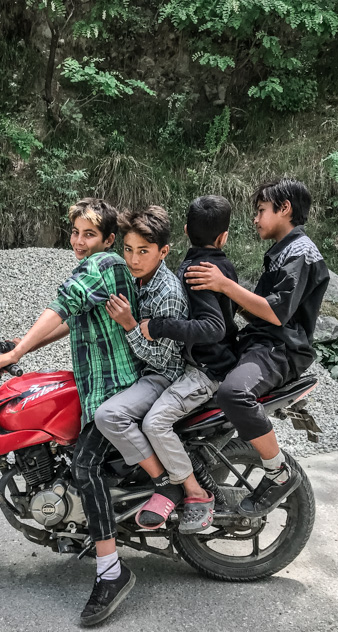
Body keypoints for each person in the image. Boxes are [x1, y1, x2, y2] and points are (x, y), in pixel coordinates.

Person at [0, 197, 141, 626]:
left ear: (108, 239)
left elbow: (62, 303)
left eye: (88, 233)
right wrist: (20, 349)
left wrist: (17, 350)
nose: (78, 241)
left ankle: (111, 572)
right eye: (74, 233)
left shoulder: (104, 265)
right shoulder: (99, 272)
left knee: (84, 468)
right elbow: (66, 323)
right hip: (100, 386)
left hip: (115, 387)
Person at [185, 179, 330, 517]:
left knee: (234, 393)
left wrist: (226, 285)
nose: (255, 219)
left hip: (279, 350)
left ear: (285, 209)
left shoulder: (301, 254)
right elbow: (258, 306)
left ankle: (279, 473)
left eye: (261, 211)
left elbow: (276, 312)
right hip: (259, 342)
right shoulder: (283, 249)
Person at [133, 195, 239, 532]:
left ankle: (192, 493)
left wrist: (159, 326)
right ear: (223, 237)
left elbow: (213, 328)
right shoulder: (217, 263)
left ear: (183, 230)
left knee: (155, 423)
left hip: (207, 371)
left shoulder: (198, 271)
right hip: (204, 364)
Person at [94, 206, 188, 517]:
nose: (133, 259)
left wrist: (129, 325)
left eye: (143, 251)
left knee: (109, 416)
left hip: (161, 375)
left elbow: (163, 358)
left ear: (163, 252)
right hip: (137, 367)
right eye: (129, 249)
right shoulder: (135, 278)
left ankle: (163, 481)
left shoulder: (168, 292)